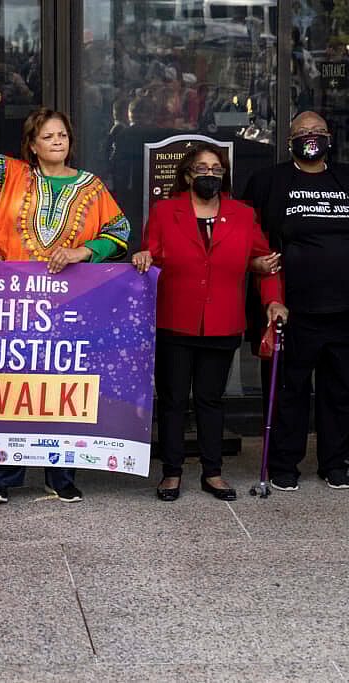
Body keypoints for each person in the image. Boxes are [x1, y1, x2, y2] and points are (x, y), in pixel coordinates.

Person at [0, 87, 131, 505]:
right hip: (16, 303)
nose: (58, 142)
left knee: (62, 389)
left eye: (63, 136)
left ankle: (61, 475)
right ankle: (1, 476)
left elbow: (120, 233)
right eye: (49, 136)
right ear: (32, 146)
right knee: (12, 389)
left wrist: (82, 251)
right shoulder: (13, 176)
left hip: (71, 306)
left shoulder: (91, 186)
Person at [133, 143, 287, 501]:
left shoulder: (242, 214)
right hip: (174, 319)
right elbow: (151, 255)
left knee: (210, 399)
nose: (209, 175)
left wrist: (274, 300)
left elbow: (266, 261)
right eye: (202, 168)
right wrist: (143, 257)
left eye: (216, 170)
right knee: (172, 400)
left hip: (222, 320)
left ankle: (212, 472)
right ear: (188, 174)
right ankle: (171, 472)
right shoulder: (164, 211)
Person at [241, 111, 349, 491]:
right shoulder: (269, 182)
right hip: (290, 306)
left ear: (329, 137)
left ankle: (336, 462)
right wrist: (255, 264)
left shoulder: (345, 177)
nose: (311, 137)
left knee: (340, 391)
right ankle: (284, 464)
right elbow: (248, 235)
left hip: (343, 308)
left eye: (318, 131)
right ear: (290, 140)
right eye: (303, 133)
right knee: (289, 390)